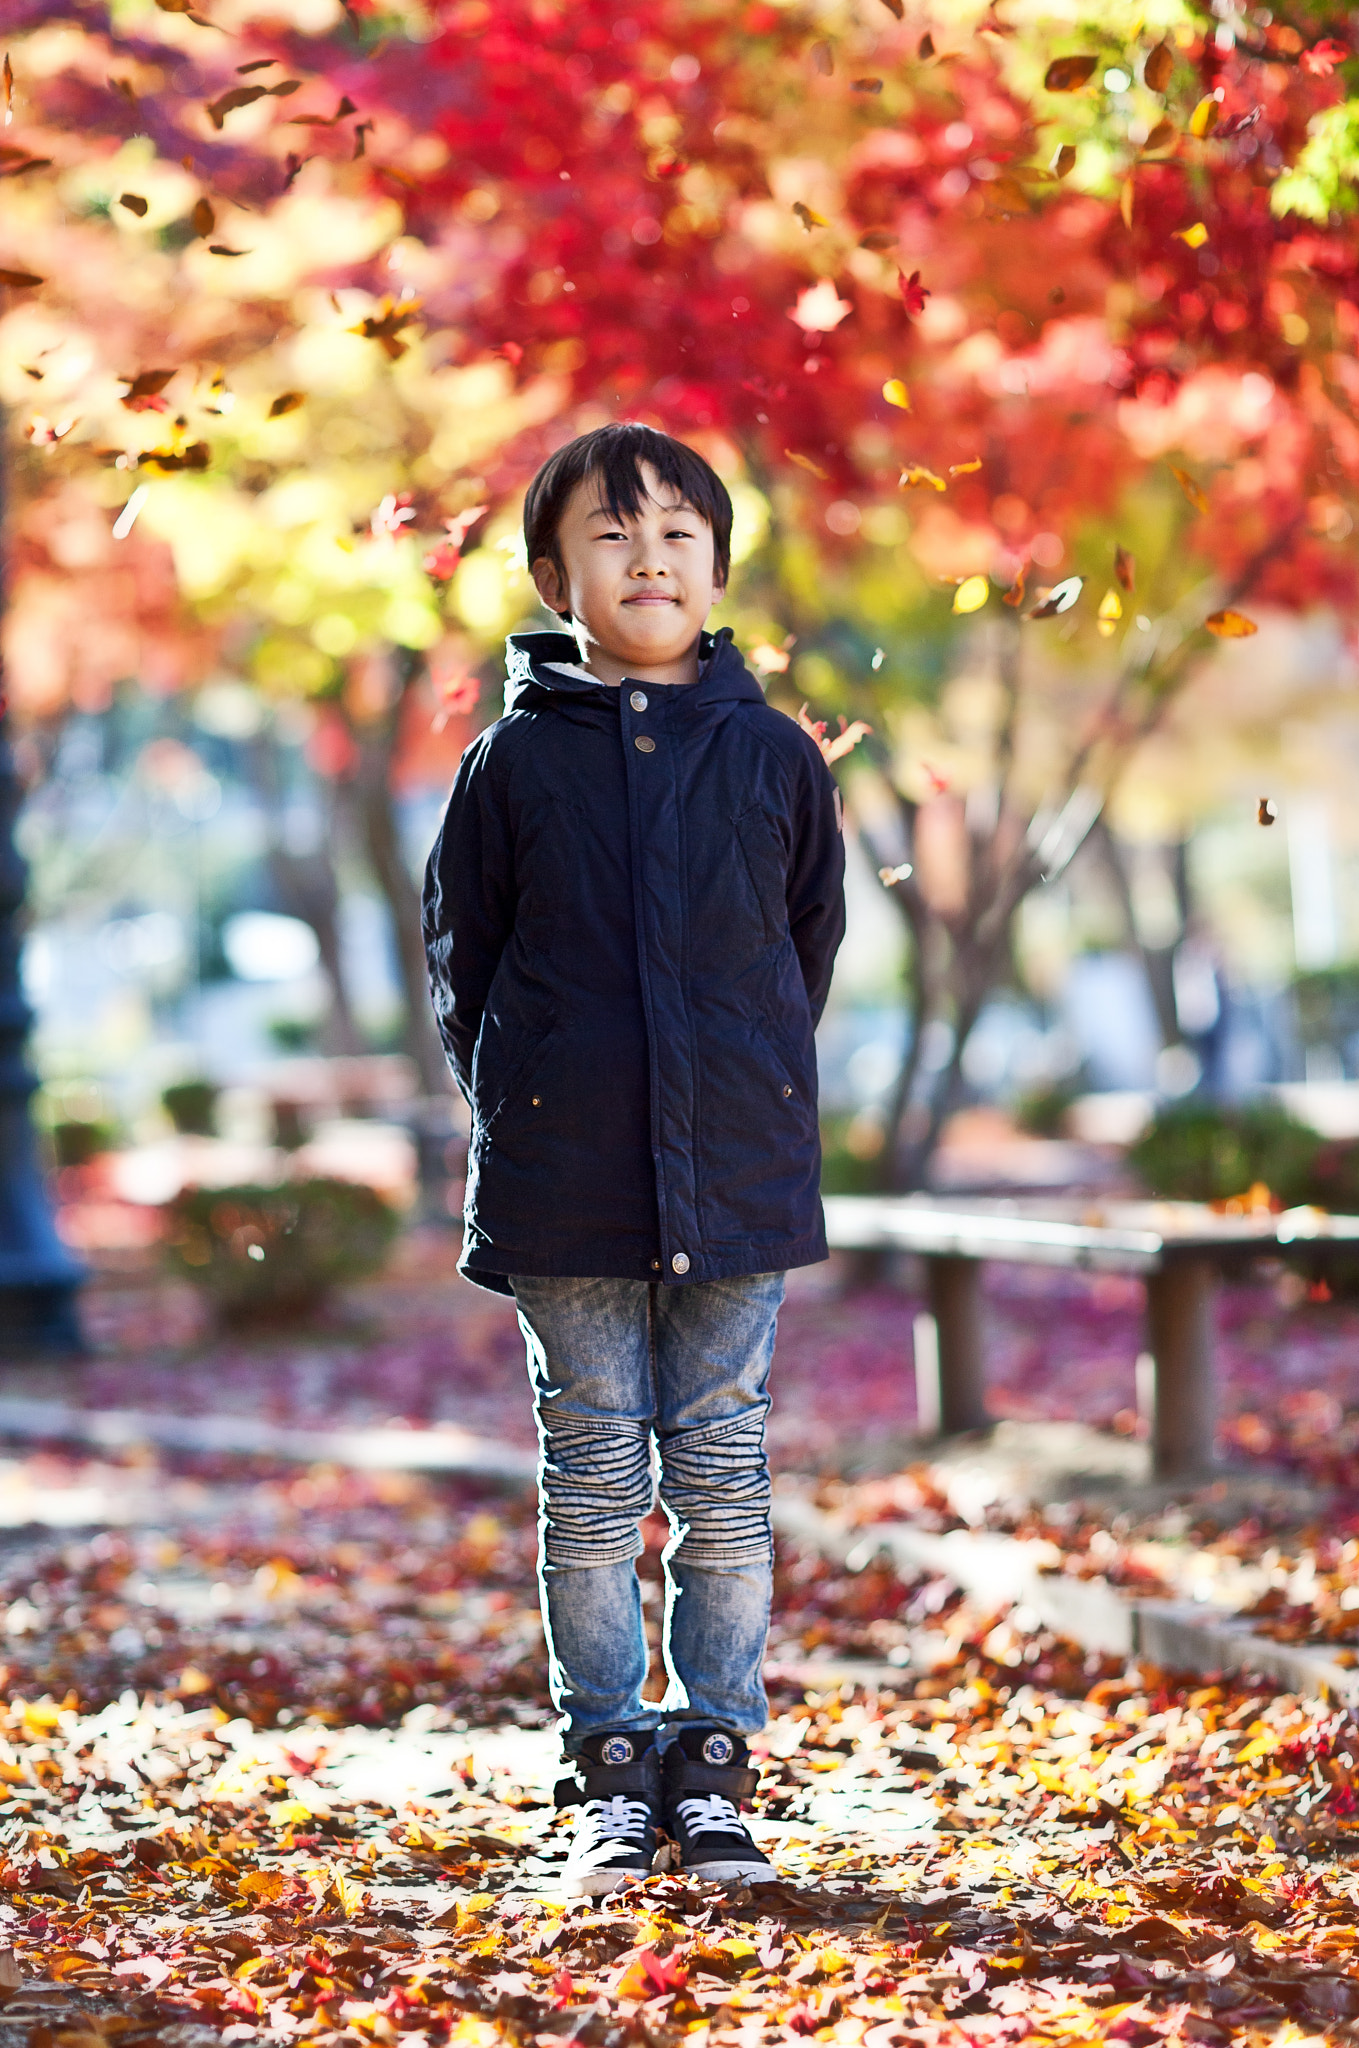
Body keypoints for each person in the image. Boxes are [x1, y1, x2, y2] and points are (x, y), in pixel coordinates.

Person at [422, 422, 845, 1894]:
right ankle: (607, 1762)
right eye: (611, 534)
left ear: (719, 565)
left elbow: (802, 955)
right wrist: (531, 1105)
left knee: (724, 1476)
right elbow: (462, 965)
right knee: (594, 1476)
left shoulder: (772, 756)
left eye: (676, 531)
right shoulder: (512, 761)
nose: (647, 556)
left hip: (734, 1177)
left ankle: (717, 1761)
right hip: (564, 1182)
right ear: (556, 576)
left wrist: (740, 1097)